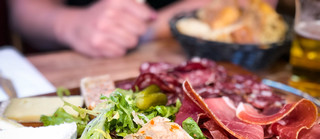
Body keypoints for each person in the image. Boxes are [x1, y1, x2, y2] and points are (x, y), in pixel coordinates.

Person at [7, 0, 213, 58]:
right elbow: (24, 10)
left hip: (176, 53)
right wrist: (70, 24)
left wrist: (158, 25)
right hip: (69, 60)